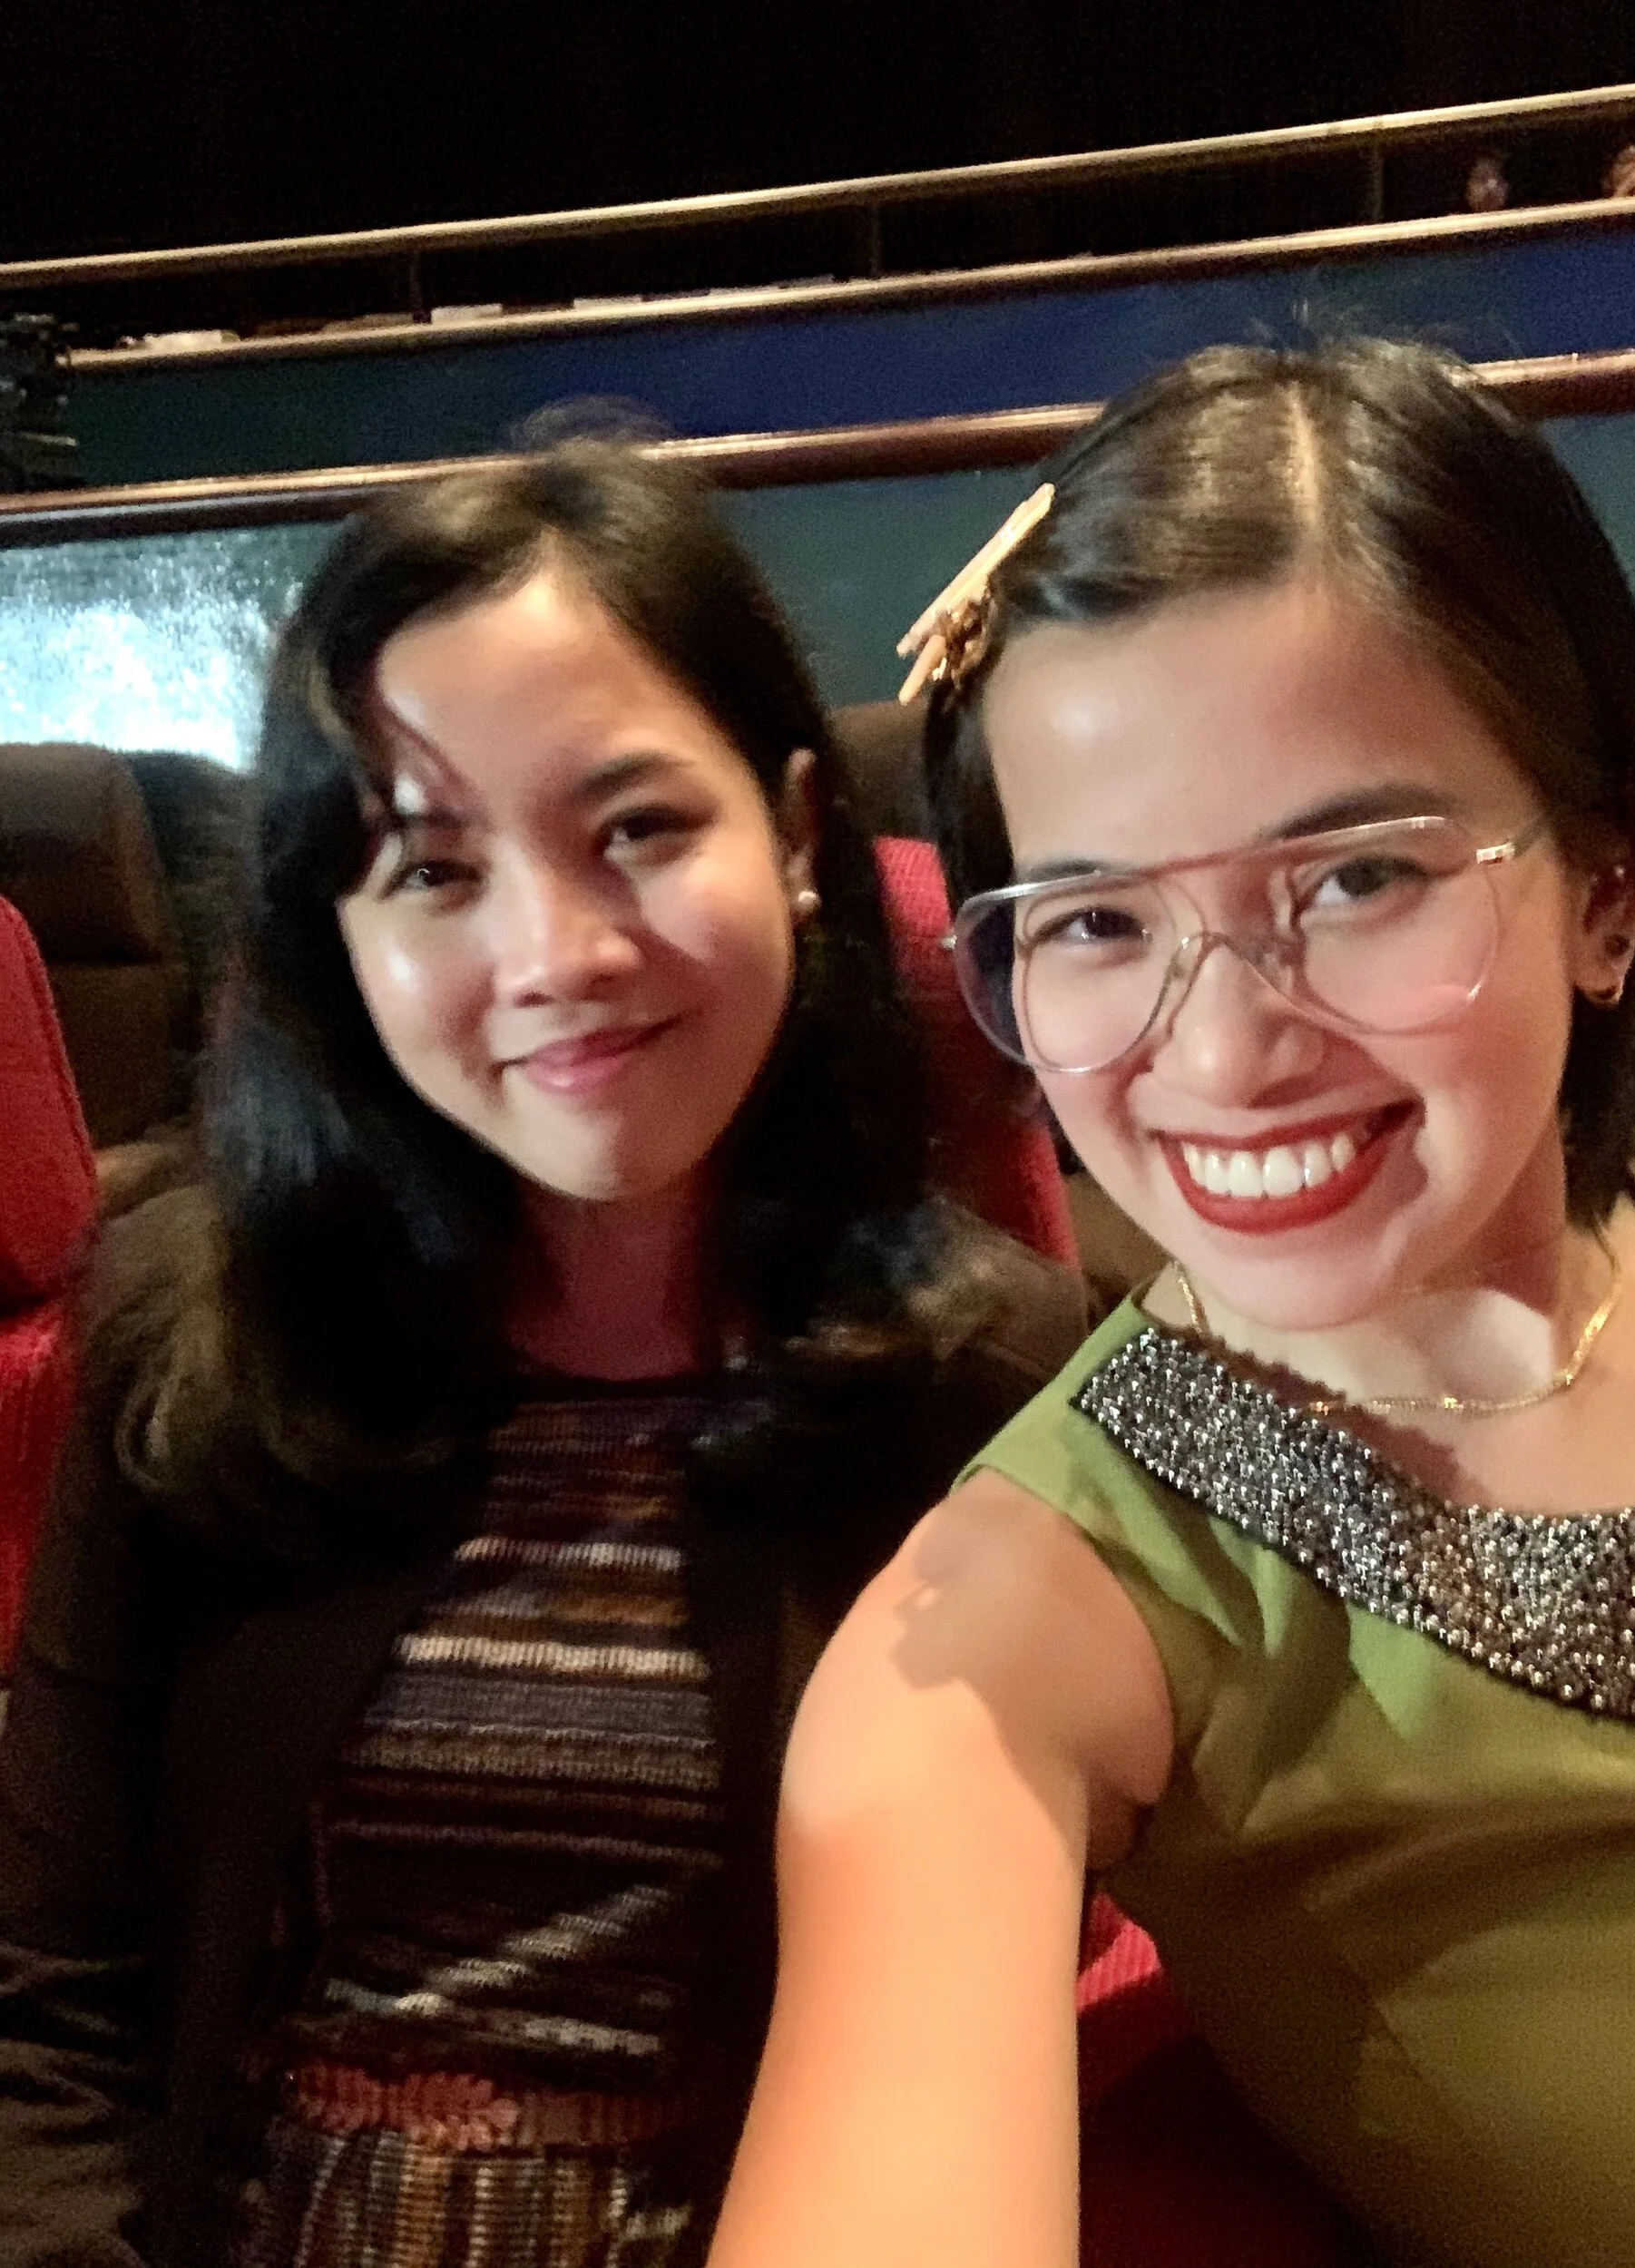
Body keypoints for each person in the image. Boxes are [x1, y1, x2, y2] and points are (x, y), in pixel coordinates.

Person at [0, 443, 1086, 2268]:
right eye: (431, 867)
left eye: (638, 828)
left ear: (796, 834)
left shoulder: (980, 1380)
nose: (553, 953)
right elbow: (47, 1994)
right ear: (339, 936)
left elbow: (982, 2052)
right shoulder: (195, 1333)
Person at [707, 341, 1635, 2268]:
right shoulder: (1004, 1629)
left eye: (1356, 878)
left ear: (1606, 887)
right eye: (1094, 919)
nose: (1226, 1051)